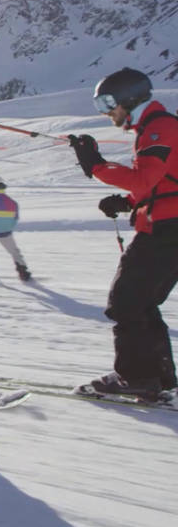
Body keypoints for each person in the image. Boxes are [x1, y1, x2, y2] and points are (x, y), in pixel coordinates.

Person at [68, 67, 178, 399]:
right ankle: (160, 380)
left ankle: (135, 377)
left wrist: (96, 166)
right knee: (142, 303)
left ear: (129, 99)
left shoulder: (160, 128)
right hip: (167, 225)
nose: (105, 112)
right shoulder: (156, 127)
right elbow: (159, 181)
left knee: (126, 302)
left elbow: (143, 179)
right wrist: (128, 202)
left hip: (165, 230)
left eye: (107, 103)